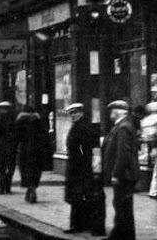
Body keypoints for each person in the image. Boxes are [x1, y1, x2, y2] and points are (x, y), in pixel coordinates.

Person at [63, 103, 105, 235]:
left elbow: (86, 149)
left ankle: (80, 225)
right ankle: (79, 224)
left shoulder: (83, 127)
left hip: (81, 168)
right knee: (78, 197)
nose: (73, 115)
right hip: (77, 167)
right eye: (71, 113)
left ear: (81, 113)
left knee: (81, 196)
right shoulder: (77, 126)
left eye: (75, 112)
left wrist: (82, 163)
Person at [103, 99, 139, 240]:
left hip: (124, 175)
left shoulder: (123, 127)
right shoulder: (121, 126)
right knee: (122, 206)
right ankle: (121, 235)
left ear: (117, 113)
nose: (110, 114)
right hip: (125, 174)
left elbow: (122, 153)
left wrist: (116, 174)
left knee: (122, 207)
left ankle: (122, 236)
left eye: (112, 111)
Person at [14, 104, 48, 203]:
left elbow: (16, 136)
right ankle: (32, 188)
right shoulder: (38, 121)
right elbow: (44, 136)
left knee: (25, 170)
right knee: (36, 170)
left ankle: (30, 189)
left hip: (24, 150)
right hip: (37, 151)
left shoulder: (20, 121)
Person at [0, 101, 18, 194]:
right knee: (10, 166)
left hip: (0, 145)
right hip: (10, 146)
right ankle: (7, 185)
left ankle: (2, 186)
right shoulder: (13, 118)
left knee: (0, 167)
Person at [141, 102, 157, 198]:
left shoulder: (145, 120)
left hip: (150, 146)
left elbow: (146, 135)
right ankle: (154, 191)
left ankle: (153, 190)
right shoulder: (155, 119)